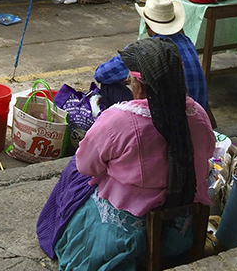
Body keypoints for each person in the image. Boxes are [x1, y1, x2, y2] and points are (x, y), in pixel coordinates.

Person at [37, 37, 215, 270]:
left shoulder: (118, 119)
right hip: (180, 234)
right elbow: (209, 151)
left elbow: (85, 165)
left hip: (124, 239)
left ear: (140, 86)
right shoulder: (198, 114)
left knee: (74, 172)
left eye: (130, 81)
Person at [94, 0, 208, 111]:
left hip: (166, 116)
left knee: (108, 85)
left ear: (147, 25)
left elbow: (100, 75)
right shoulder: (187, 41)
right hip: (197, 112)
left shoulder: (143, 50)